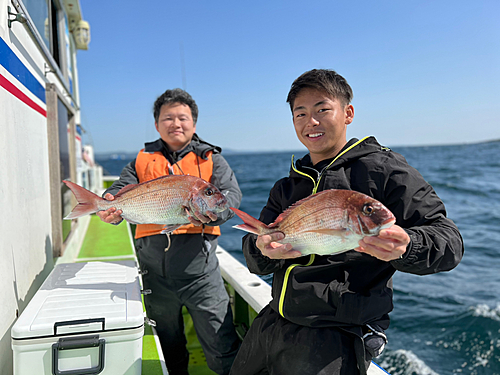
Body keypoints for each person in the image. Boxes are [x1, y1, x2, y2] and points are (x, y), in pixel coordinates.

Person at [230, 69, 464, 375]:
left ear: (348, 113)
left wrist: (408, 246)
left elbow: (449, 240)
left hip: (339, 333)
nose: (310, 122)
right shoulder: (287, 185)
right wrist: (263, 249)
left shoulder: (384, 170)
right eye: (300, 113)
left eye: (322, 110)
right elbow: (255, 257)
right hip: (275, 319)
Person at [97, 88, 242, 375]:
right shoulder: (140, 161)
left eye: (183, 118)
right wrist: (109, 205)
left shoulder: (212, 160)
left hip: (201, 275)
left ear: (194, 124)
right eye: (168, 118)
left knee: (222, 346)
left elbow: (230, 199)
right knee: (168, 350)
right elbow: (117, 190)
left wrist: (214, 213)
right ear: (157, 124)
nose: (176, 123)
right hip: (154, 274)